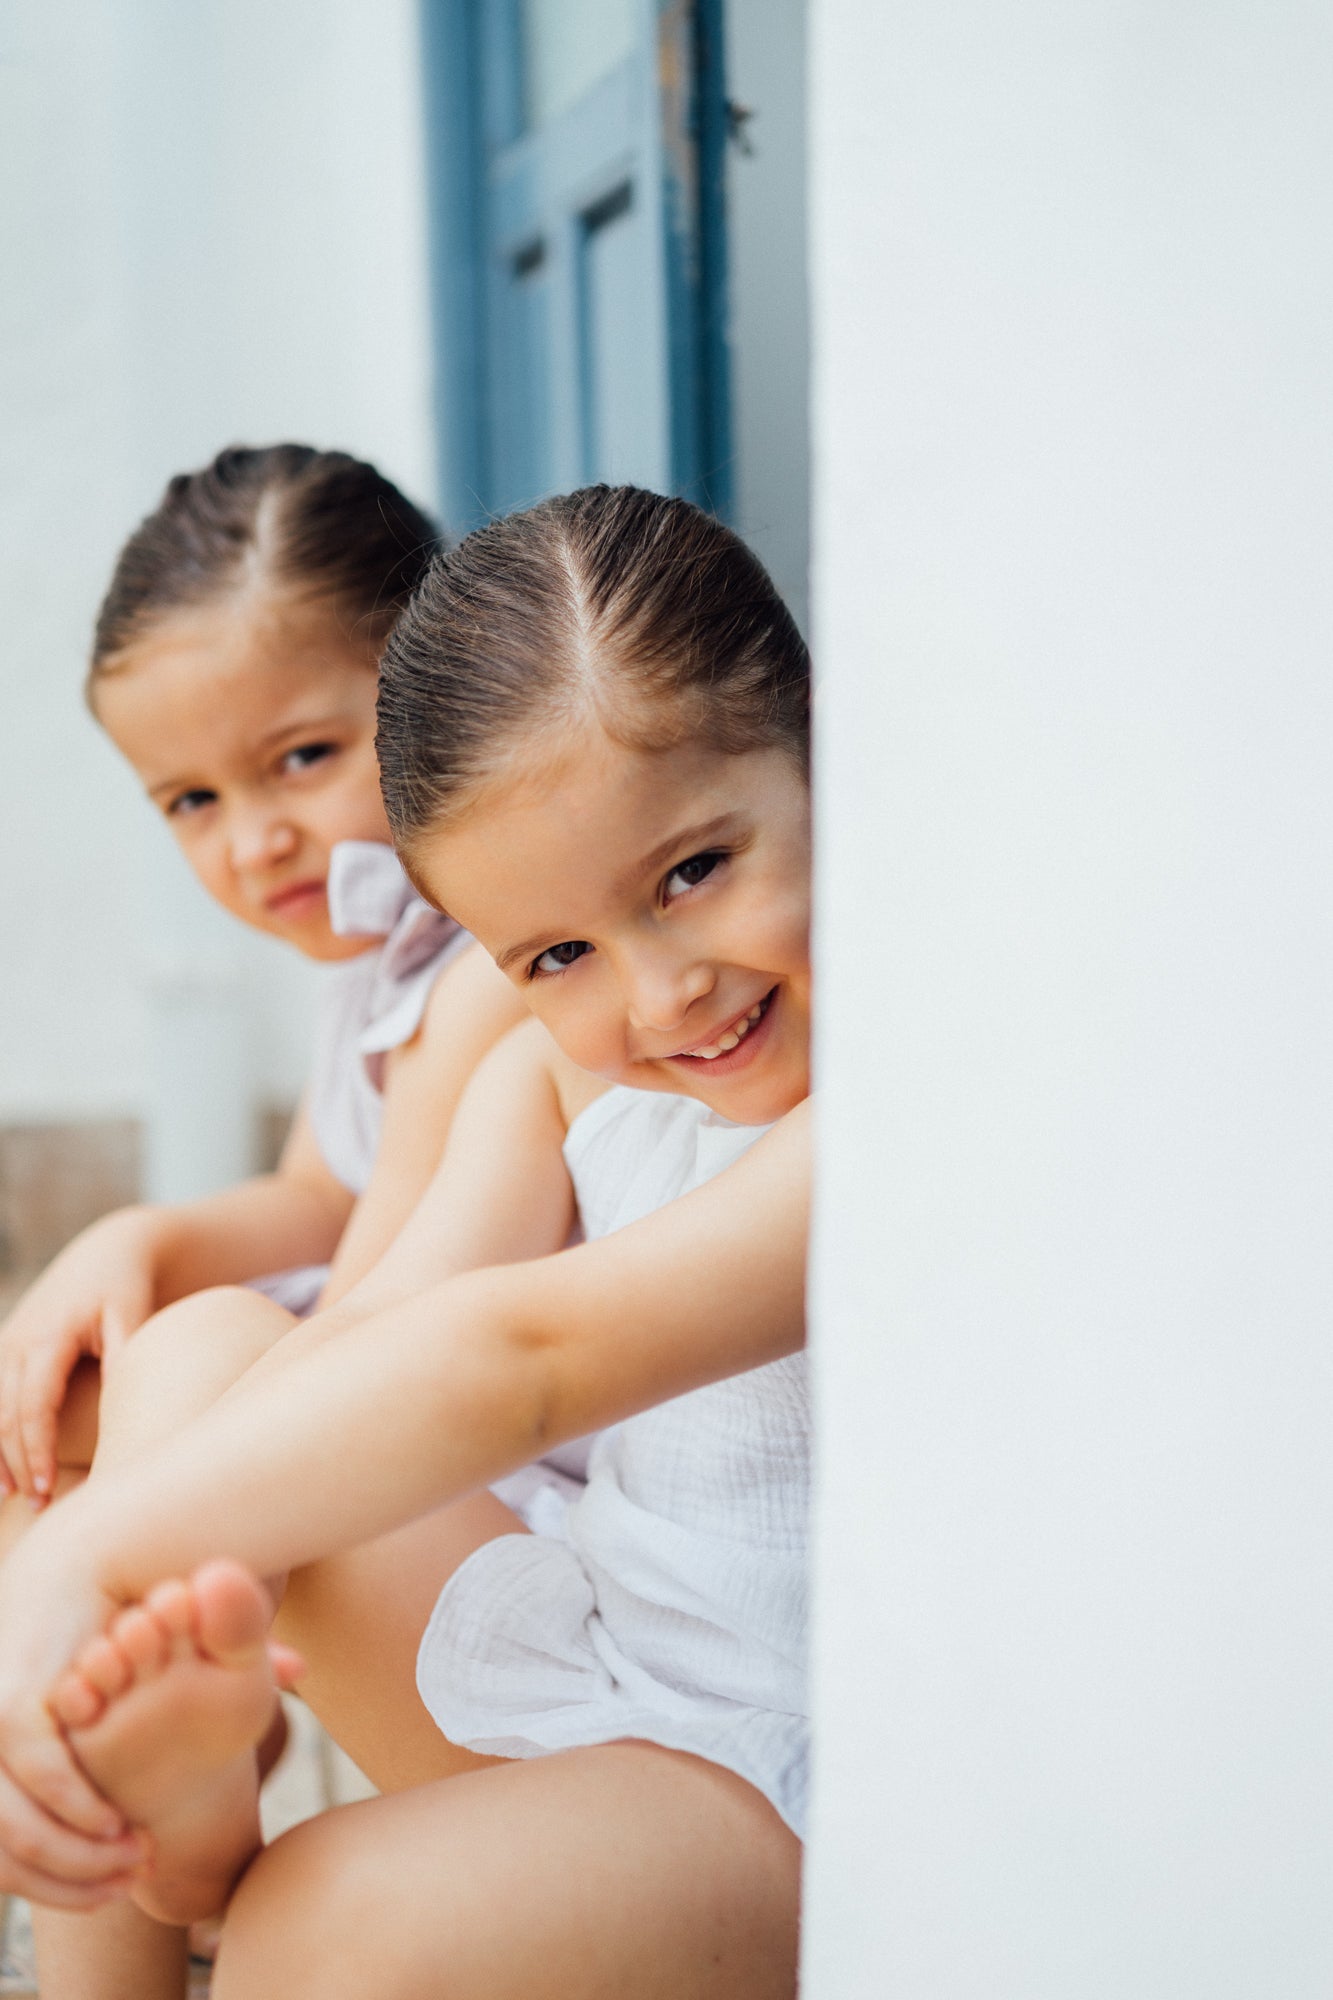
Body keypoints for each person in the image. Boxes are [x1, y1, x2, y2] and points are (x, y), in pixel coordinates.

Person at [0, 485, 812, 2000]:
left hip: (782, 1764)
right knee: (199, 1361)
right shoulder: (557, 1065)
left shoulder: (894, 1093)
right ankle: (167, 1838)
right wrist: (97, 1551)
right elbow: (378, 1320)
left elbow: (522, 1359)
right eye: (555, 954)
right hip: (608, 1648)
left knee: (319, 1930)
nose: (661, 995)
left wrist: (90, 1559)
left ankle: (200, 1842)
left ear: (823, 757)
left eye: (693, 871)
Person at [0, 444, 527, 1997]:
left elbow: (372, 1333)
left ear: (440, 674)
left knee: (190, 1376)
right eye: (191, 799)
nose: (255, 842)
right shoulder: (377, 963)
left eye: (302, 757)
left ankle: (186, 1802)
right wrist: (137, 1245)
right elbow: (321, 1189)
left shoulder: (517, 958)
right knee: (60, 1417)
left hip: (497, 1489)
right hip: (421, 1449)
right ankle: (127, 1847)